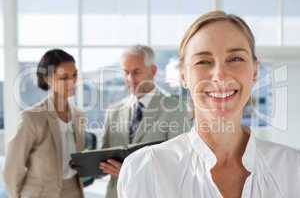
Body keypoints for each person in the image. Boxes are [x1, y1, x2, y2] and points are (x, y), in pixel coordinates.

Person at [117, 11, 300, 198]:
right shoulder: (146, 170)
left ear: (254, 71)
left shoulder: (293, 170)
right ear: (183, 76)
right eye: (203, 61)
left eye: (235, 58)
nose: (220, 75)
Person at [99, 45, 192, 198]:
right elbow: (104, 155)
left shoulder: (175, 108)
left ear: (153, 71)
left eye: (136, 72)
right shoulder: (113, 111)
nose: (130, 79)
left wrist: (130, 170)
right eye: (126, 72)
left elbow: (180, 164)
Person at [4, 49, 86, 198]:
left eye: (74, 75)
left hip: (73, 191)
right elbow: (12, 167)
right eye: (64, 77)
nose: (72, 82)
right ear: (48, 79)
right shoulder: (32, 117)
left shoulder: (79, 115)